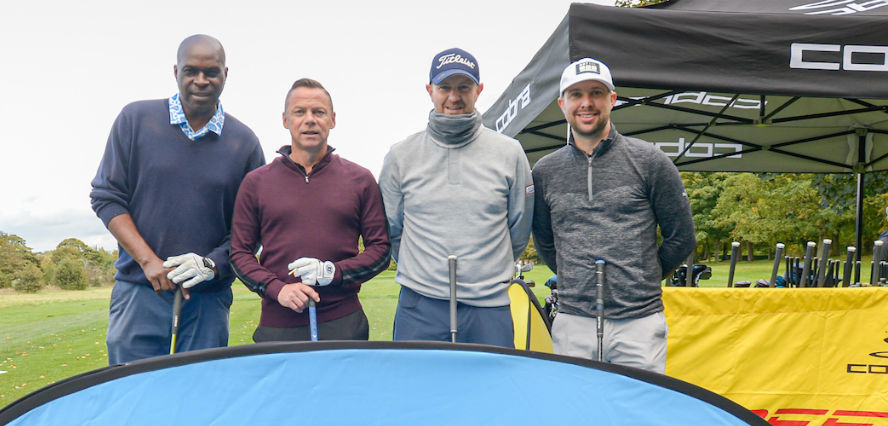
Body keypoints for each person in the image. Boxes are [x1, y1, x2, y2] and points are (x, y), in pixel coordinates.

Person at [91, 34, 265, 364]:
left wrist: (212, 265)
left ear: (226, 75)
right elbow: (107, 196)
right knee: (134, 396)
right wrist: (148, 261)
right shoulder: (136, 120)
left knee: (201, 401)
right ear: (176, 72)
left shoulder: (244, 143)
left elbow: (251, 230)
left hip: (207, 299)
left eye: (211, 72)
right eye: (191, 71)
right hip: (138, 290)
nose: (201, 80)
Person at [531, 57, 696, 373]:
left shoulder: (650, 161)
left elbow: (681, 236)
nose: (586, 103)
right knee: (578, 415)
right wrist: (577, 276)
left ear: (612, 99)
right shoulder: (545, 171)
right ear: (562, 104)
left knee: (639, 414)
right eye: (576, 94)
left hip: (639, 322)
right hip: (573, 320)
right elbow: (546, 243)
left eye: (596, 92)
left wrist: (641, 275)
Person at [379, 48, 533, 347]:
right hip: (420, 305)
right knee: (418, 390)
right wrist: (425, 274)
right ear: (430, 90)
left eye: (464, 87)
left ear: (479, 90)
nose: (454, 97)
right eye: (445, 87)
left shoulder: (509, 152)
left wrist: (484, 273)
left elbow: (519, 227)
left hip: (488, 307)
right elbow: (392, 229)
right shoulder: (401, 155)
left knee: (490, 391)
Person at [230, 79, 390, 341]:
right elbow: (239, 253)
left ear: (332, 119)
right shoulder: (256, 182)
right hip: (278, 324)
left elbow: (381, 251)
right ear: (285, 120)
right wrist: (276, 288)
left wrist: (333, 273)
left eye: (318, 112)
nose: (310, 120)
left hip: (343, 323)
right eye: (299, 112)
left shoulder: (359, 179)